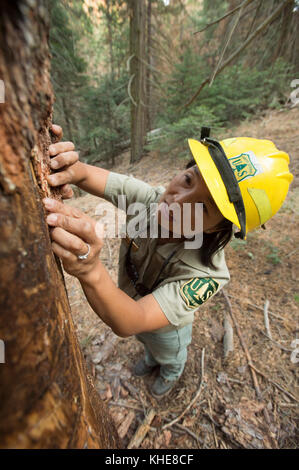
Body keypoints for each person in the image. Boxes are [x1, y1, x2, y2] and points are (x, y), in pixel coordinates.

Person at [44, 124, 293, 399]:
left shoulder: (204, 276)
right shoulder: (152, 200)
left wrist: (90, 270)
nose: (178, 201)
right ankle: (151, 360)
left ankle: (170, 372)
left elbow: (131, 321)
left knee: (167, 351)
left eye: (203, 208)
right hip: (127, 304)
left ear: (215, 229)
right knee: (146, 342)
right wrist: (67, 166)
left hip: (166, 330)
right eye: (188, 179)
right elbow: (91, 175)